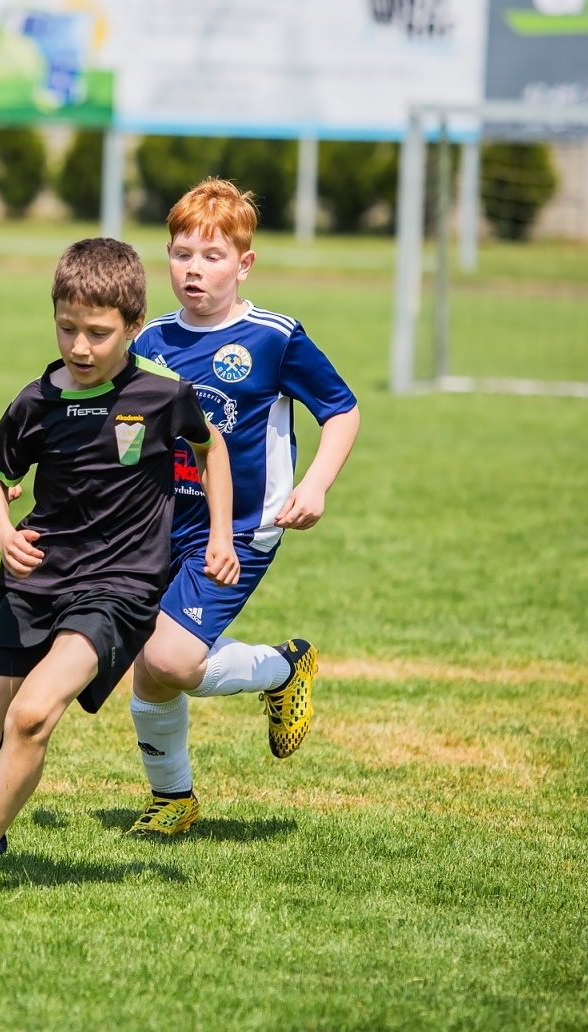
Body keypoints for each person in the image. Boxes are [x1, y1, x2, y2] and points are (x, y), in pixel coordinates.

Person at [0, 237, 238, 906]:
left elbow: (211, 452)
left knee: (35, 714)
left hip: (119, 588)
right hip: (36, 582)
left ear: (133, 327)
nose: (79, 345)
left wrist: (221, 535)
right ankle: (6, 765)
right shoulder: (35, 401)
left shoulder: (162, 393)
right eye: (67, 327)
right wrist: (1, 531)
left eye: (97, 333)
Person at [123, 179, 360, 836]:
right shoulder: (153, 341)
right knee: (152, 664)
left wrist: (314, 486)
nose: (193, 269)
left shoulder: (272, 337)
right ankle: (173, 798)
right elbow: (129, 434)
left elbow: (341, 410)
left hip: (241, 529)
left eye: (211, 256)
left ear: (244, 264)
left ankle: (283, 666)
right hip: (160, 526)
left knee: (168, 661)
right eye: (180, 254)